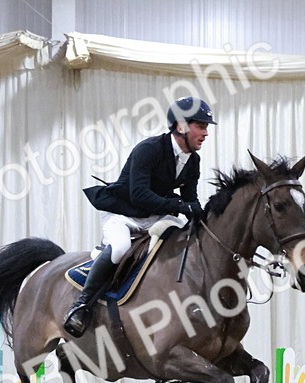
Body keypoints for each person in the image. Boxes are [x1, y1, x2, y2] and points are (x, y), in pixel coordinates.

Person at [64, 96, 216, 338]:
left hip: (155, 216)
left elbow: (190, 198)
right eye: (201, 125)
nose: (206, 133)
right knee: (120, 247)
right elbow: (139, 195)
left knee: (184, 240)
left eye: (206, 127)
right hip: (124, 213)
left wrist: (201, 215)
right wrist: (178, 205)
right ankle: (81, 306)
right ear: (181, 126)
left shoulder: (193, 160)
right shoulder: (149, 149)